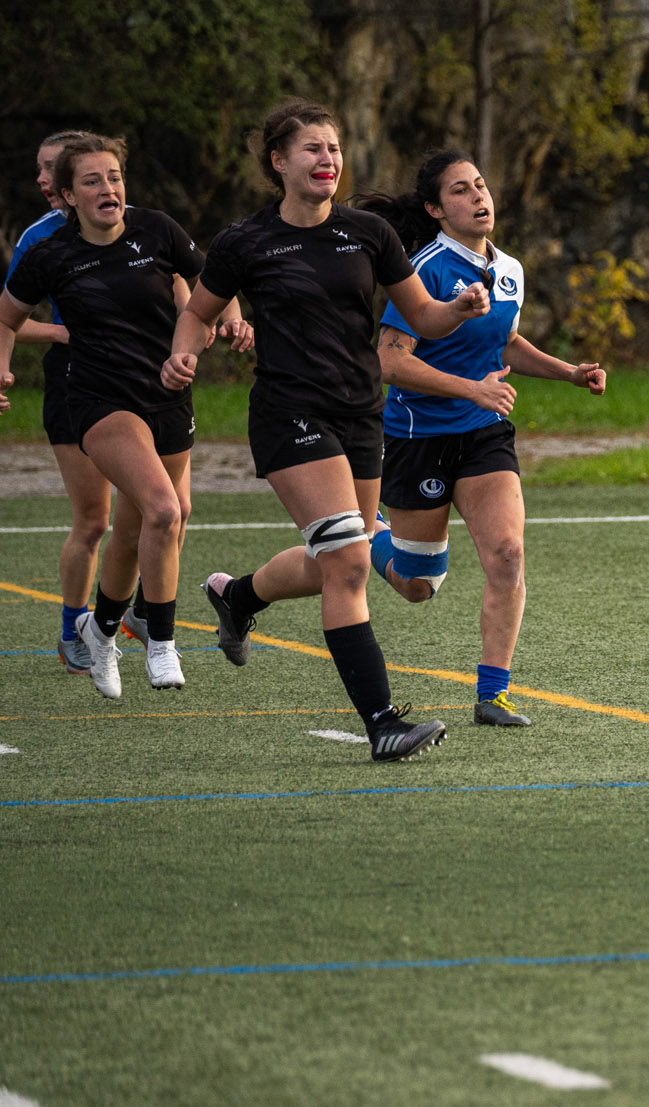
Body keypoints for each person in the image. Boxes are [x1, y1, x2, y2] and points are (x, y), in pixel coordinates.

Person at [163, 99, 490, 761]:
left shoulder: (368, 234)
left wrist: (456, 308)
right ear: (279, 162)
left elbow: (421, 318)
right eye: (312, 149)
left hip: (360, 413)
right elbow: (197, 311)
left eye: (333, 149)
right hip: (289, 414)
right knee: (346, 562)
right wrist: (183, 353)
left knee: (334, 562)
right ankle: (382, 724)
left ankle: (238, 595)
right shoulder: (245, 241)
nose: (327, 160)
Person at [353, 149, 606, 728]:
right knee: (420, 586)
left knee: (508, 555)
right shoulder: (423, 270)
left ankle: (492, 694)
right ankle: (370, 533)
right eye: (461, 190)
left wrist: (568, 371)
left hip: (484, 434)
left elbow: (507, 343)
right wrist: (472, 389)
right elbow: (389, 363)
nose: (479, 196)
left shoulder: (510, 268)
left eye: (482, 185)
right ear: (436, 209)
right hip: (419, 436)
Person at [0, 134, 252, 698]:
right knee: (162, 509)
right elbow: (5, 318)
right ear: (68, 195)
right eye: (92, 181)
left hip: (166, 393)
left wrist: (231, 318)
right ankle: (160, 640)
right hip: (97, 401)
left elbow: (215, 284)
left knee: (146, 523)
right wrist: (3, 366)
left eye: (114, 177)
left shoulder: (156, 229)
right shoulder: (49, 253)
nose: (108, 188)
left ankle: (103, 629)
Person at [7, 130, 110, 672]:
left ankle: (125, 618)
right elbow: (9, 320)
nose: (43, 180)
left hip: (142, 385)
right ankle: (75, 630)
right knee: (93, 521)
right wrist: (63, 334)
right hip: (74, 385)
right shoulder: (40, 240)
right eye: (41, 170)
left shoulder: (141, 227)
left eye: (52, 168)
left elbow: (192, 286)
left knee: (163, 514)